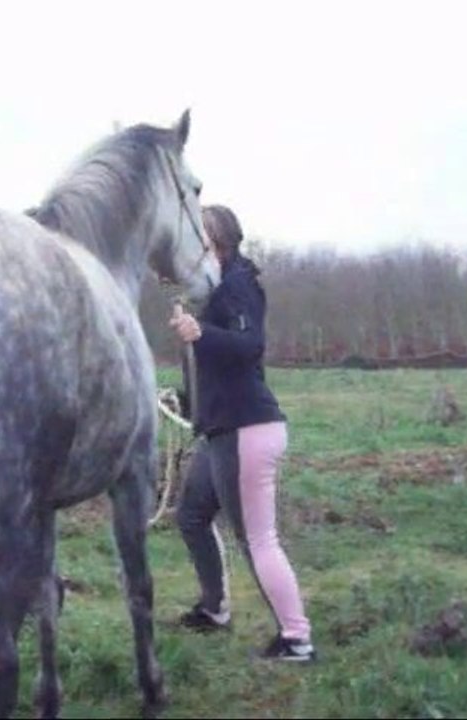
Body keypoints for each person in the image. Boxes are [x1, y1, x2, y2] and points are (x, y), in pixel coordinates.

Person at [168, 204, 315, 662]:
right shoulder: (215, 291)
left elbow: (250, 346)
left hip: (247, 430)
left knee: (258, 539)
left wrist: (200, 333)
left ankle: (297, 639)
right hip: (221, 431)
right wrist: (185, 399)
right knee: (191, 514)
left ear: (217, 242)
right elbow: (216, 367)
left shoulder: (238, 285)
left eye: (199, 241)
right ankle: (215, 610)